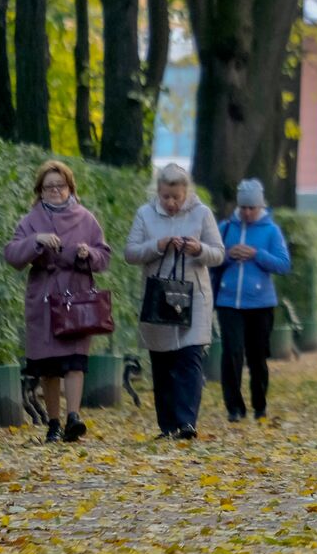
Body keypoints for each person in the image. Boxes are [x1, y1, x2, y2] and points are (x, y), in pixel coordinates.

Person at [2, 161, 112, 444]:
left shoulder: (86, 218)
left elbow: (105, 256)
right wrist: (36, 240)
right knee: (49, 366)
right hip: (43, 300)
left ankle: (73, 417)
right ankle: (53, 423)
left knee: (75, 362)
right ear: (39, 191)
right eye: (48, 187)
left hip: (75, 298)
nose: (54, 191)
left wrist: (88, 254)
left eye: (59, 186)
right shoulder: (30, 221)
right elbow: (12, 254)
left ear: (70, 188)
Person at [125, 163, 225, 441]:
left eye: (176, 197)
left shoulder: (202, 214)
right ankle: (167, 425)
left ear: (186, 193)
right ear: (158, 191)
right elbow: (130, 253)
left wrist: (198, 249)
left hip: (194, 298)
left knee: (189, 358)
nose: (171, 203)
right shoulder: (144, 215)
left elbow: (218, 253)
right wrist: (157, 246)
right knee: (162, 362)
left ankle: (186, 423)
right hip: (158, 298)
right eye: (166, 196)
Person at [212, 178, 292, 423]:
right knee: (232, 353)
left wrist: (257, 255)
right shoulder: (226, 227)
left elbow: (283, 264)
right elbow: (212, 258)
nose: (247, 212)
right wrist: (228, 255)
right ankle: (234, 407)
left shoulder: (271, 231)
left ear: (260, 206)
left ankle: (260, 404)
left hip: (261, 304)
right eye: (243, 207)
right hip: (228, 301)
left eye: (252, 208)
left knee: (257, 357)